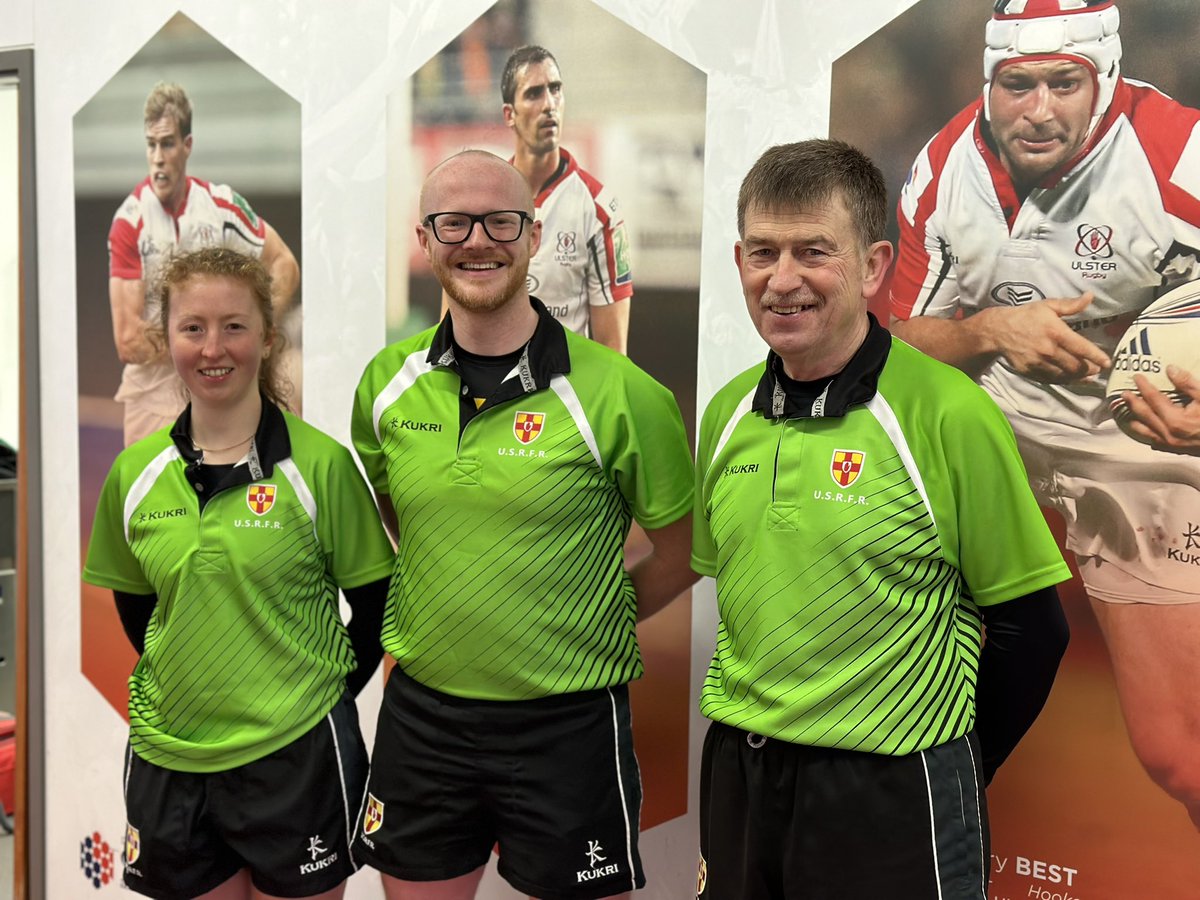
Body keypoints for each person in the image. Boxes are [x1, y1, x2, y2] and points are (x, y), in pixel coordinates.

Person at [693, 140, 1072, 899]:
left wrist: (949, 765)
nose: (783, 279)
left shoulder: (949, 413)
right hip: (742, 772)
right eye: (763, 252)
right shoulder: (725, 412)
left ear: (872, 267)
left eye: (813, 252)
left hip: (896, 794)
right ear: (738, 260)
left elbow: (1035, 633)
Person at [350, 150, 695, 900]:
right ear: (426, 238)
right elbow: (399, 514)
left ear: (534, 236)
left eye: (501, 220)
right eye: (454, 222)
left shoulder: (624, 394)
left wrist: (592, 614)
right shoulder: (384, 385)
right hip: (425, 716)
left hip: (568, 726)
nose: (478, 240)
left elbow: (686, 548)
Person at [890, 0, 1200, 828]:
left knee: (1179, 752)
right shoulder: (945, 165)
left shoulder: (1178, 152)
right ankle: (910, 828)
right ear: (988, 80)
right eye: (1015, 83)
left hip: (1135, 443)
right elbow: (894, 342)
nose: (1037, 109)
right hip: (993, 429)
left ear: (1102, 79)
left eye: (1064, 83)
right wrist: (989, 329)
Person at [82, 248, 393, 900]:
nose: (212, 346)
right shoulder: (133, 475)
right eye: (192, 327)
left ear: (268, 338)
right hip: (171, 759)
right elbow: (138, 607)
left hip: (296, 756)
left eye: (234, 325)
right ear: (167, 340)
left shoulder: (322, 467)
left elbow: (374, 608)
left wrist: (318, 702)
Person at [108, 81, 300, 446]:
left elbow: (284, 266)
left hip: (228, 381)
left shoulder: (222, 206)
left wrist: (249, 334)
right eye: (151, 145)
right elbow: (128, 341)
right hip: (156, 391)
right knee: (148, 496)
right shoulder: (129, 222)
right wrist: (197, 349)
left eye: (167, 144)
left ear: (187, 146)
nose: (158, 157)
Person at [500, 45, 633, 354]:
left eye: (555, 89)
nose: (549, 104)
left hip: (565, 394)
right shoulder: (483, 202)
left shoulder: (600, 209)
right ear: (510, 114)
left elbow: (613, 351)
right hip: (493, 392)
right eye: (534, 94)